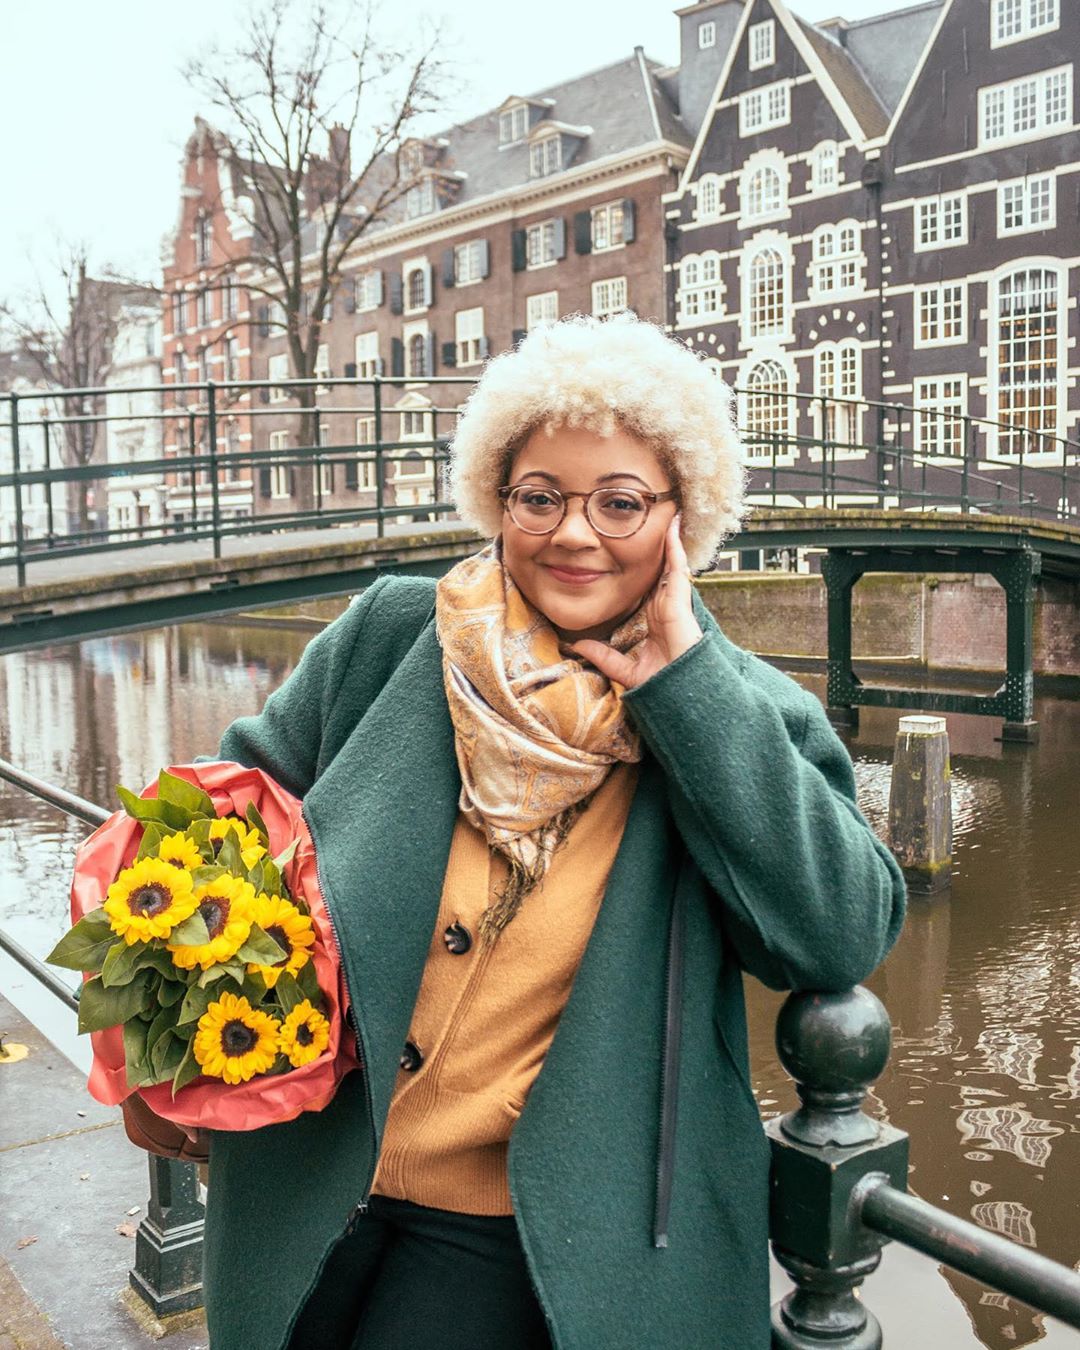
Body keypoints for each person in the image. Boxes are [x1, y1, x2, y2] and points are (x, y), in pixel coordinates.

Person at [122, 312, 906, 1349]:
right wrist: (156, 1043)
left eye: (621, 502)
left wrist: (683, 691)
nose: (575, 533)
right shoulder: (395, 638)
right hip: (309, 1181)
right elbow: (220, 821)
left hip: (519, 1232)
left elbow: (841, 929)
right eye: (541, 497)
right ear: (499, 498)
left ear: (684, 517)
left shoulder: (745, 713)